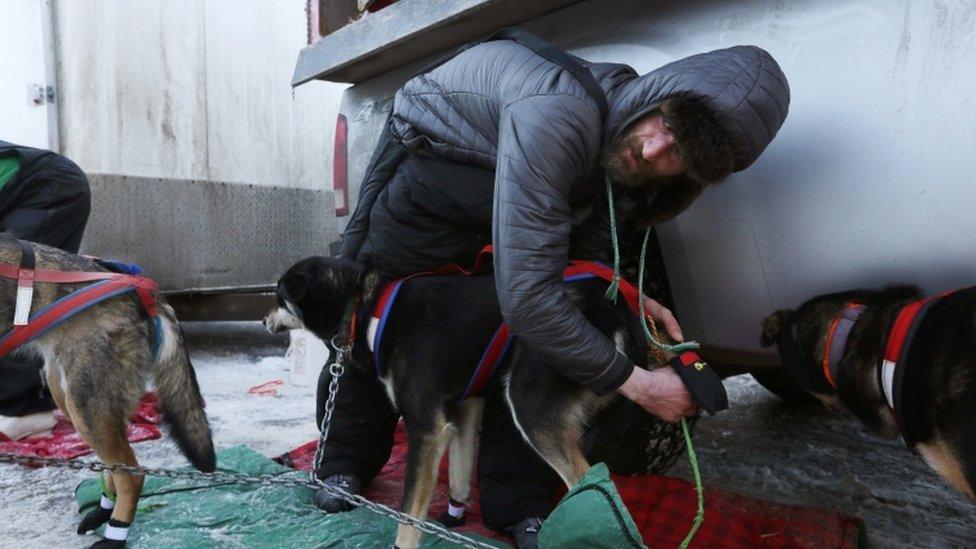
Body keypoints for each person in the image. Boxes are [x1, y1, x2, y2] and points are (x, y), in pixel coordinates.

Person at [316, 29, 789, 547]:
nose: (654, 148)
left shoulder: (625, 150)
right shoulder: (559, 113)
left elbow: (584, 262)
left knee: (530, 347)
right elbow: (528, 297)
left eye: (681, 153)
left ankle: (519, 501)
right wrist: (635, 382)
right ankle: (344, 460)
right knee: (377, 323)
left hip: (512, 195)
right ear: (658, 95)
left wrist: (620, 291)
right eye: (667, 123)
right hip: (434, 183)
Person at [0, 140, 92, 419]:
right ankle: (46, 388)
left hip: (51, 188)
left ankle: (22, 410)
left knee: (12, 290)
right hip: (39, 188)